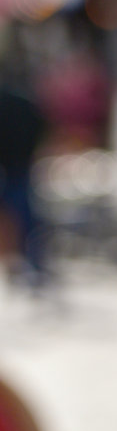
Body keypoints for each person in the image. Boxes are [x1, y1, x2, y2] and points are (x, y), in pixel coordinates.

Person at [0, 41, 49, 290]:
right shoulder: (25, 101)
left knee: (20, 212)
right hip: (19, 165)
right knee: (25, 213)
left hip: (16, 165)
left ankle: (24, 263)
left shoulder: (16, 101)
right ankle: (28, 263)